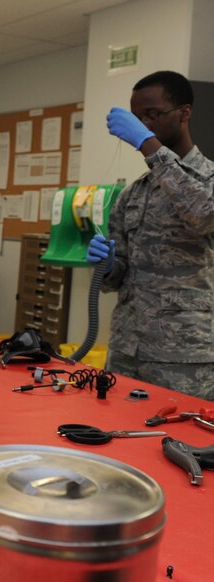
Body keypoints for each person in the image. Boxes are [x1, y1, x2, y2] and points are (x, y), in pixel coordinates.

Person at [88, 70, 214, 401]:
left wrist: (147, 144)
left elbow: (203, 215)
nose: (144, 125)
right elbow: (116, 280)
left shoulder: (209, 179)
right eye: (138, 119)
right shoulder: (134, 193)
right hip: (127, 349)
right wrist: (106, 264)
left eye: (153, 115)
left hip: (184, 356)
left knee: (182, 447)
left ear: (184, 113)